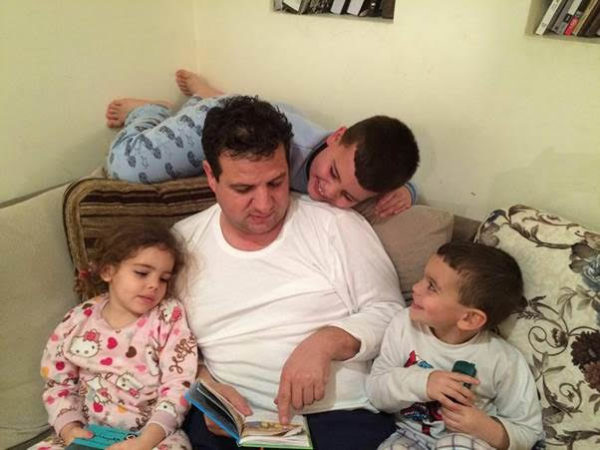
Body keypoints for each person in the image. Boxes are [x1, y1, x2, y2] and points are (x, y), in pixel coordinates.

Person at [172, 95, 404, 450]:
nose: (264, 204)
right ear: (211, 177)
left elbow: (391, 313)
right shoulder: (181, 244)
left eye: (276, 183)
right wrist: (206, 388)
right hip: (233, 427)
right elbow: (166, 341)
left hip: (338, 418)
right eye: (244, 189)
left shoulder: (337, 225)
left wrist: (327, 341)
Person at [105, 69, 419, 219]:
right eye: (333, 173)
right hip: (219, 122)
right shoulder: (296, 147)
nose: (328, 191)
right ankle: (153, 111)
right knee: (124, 167)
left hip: (263, 111)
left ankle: (207, 94)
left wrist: (407, 191)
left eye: (347, 196)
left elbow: (391, 176)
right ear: (336, 136)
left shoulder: (358, 171)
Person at [31, 221, 198, 450]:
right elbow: (58, 383)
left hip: (154, 436)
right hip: (86, 433)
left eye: (164, 278)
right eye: (142, 273)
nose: (153, 285)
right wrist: (70, 429)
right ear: (108, 271)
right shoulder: (77, 320)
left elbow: (179, 384)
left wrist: (147, 440)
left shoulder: (168, 316)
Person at [366, 242, 544, 450]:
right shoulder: (404, 325)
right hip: (408, 436)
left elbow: (528, 432)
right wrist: (423, 382)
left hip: (467, 442)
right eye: (423, 278)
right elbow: (375, 392)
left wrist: (486, 428)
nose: (415, 287)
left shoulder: (503, 360)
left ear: (469, 319)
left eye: (431, 286)